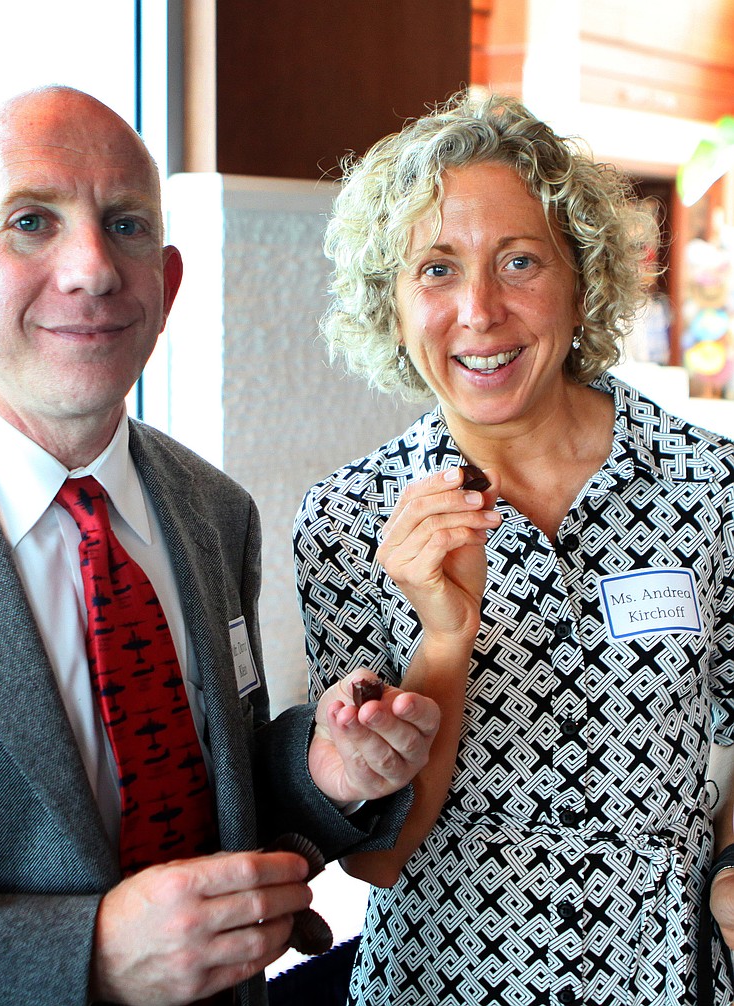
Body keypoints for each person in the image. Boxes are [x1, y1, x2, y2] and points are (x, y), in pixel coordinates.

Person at [0, 85, 442, 1006]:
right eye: (31, 221)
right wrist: (86, 955)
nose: (93, 269)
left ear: (170, 281)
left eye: (127, 225)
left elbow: (208, 803)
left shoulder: (212, 511)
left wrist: (322, 773)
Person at [292, 91, 734, 1005]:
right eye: (437, 269)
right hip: (438, 987)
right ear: (393, 301)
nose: (480, 311)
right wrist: (445, 639)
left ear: (585, 277)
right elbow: (380, 859)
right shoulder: (350, 521)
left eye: (520, 261)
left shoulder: (712, 486)